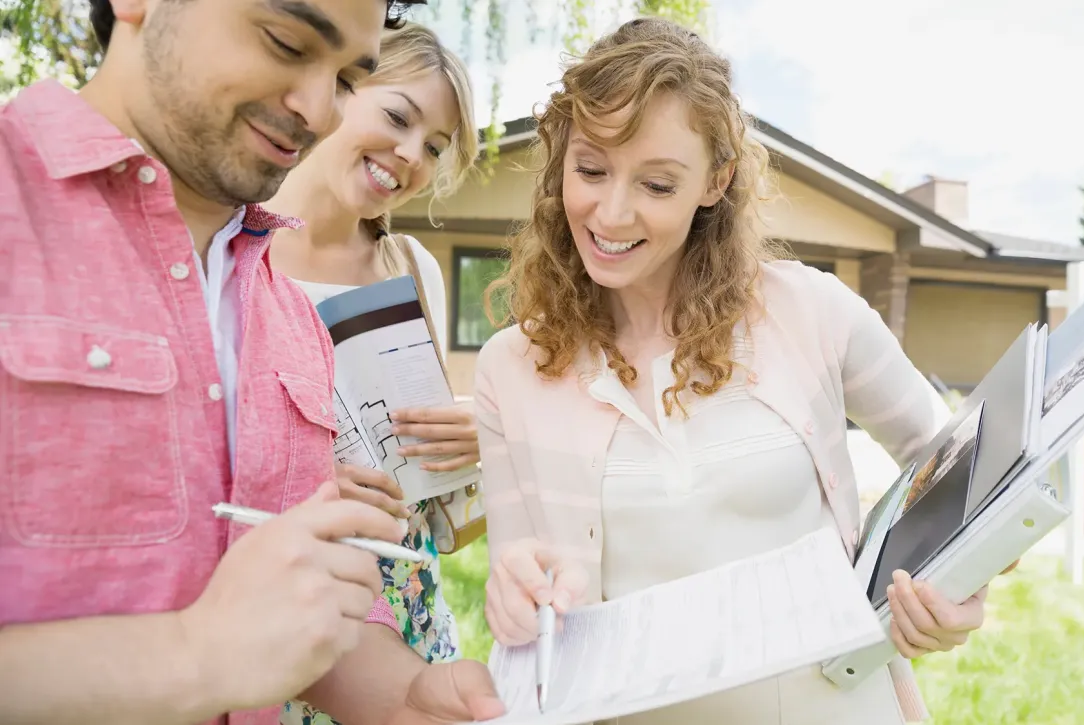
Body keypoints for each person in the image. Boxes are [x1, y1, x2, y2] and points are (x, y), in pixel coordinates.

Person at [473, 17, 1009, 724]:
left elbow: (970, 477)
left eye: (656, 184)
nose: (611, 212)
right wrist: (513, 599)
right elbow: (519, 592)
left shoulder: (811, 311)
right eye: (591, 170)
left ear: (716, 180)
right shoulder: (509, 370)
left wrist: (951, 587)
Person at [0, 1, 505, 723]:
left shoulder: (287, 314)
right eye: (286, 42)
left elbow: (305, 599)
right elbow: (225, 646)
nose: (319, 111)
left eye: (345, 79)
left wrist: (403, 697)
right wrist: (193, 656)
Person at [261, 23, 486, 725]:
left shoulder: (412, 268)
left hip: (411, 606)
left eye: (436, 146)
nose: (412, 155)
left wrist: (477, 435)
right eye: (398, 117)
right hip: (288, 610)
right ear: (339, 87)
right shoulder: (235, 250)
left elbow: (432, 483)